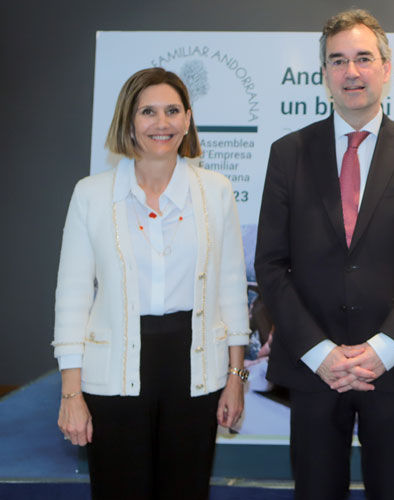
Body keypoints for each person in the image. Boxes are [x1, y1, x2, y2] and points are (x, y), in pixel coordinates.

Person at [254, 9, 394, 500]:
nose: (351, 72)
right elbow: (271, 266)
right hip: (312, 370)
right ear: (323, 74)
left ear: (386, 68)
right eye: (338, 61)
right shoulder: (288, 154)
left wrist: (382, 351)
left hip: (393, 371)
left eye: (363, 58)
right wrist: (321, 354)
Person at [52, 67, 251, 500]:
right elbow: (72, 299)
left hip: (195, 368)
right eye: (148, 112)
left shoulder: (215, 190)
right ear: (129, 121)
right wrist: (71, 392)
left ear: (188, 119)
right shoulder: (90, 194)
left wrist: (235, 376)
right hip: (114, 372)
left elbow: (232, 290)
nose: (161, 123)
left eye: (172, 111)